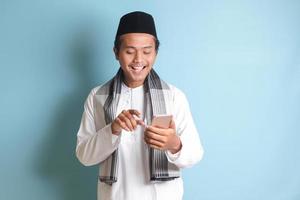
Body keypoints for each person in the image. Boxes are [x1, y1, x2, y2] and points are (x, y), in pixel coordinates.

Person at [76, 11, 204, 200]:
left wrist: (174, 144)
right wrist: (113, 129)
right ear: (116, 53)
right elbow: (84, 156)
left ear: (156, 53)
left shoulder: (174, 96)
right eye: (129, 51)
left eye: (146, 51)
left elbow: (195, 153)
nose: (138, 60)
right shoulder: (97, 97)